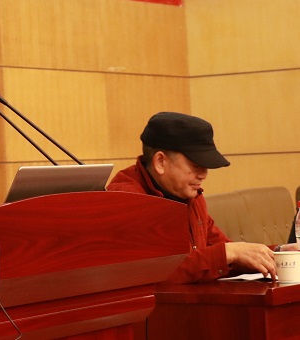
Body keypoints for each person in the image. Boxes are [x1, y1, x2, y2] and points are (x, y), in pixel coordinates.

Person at [107, 111, 297, 283]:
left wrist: (277, 253)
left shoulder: (192, 195)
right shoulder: (127, 199)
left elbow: (226, 254)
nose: (203, 175)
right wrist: (228, 253)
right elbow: (154, 271)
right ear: (160, 162)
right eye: (196, 165)